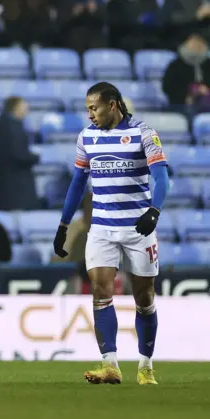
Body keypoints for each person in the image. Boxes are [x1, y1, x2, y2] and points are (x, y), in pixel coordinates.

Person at [53, 82, 170, 386]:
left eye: (94, 107)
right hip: (102, 228)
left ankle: (145, 366)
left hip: (138, 228)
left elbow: (161, 176)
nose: (89, 114)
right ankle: (111, 365)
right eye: (87, 108)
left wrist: (154, 211)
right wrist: (64, 224)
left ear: (113, 104)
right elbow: (78, 183)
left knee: (144, 297)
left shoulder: (144, 133)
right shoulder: (86, 138)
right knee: (100, 292)